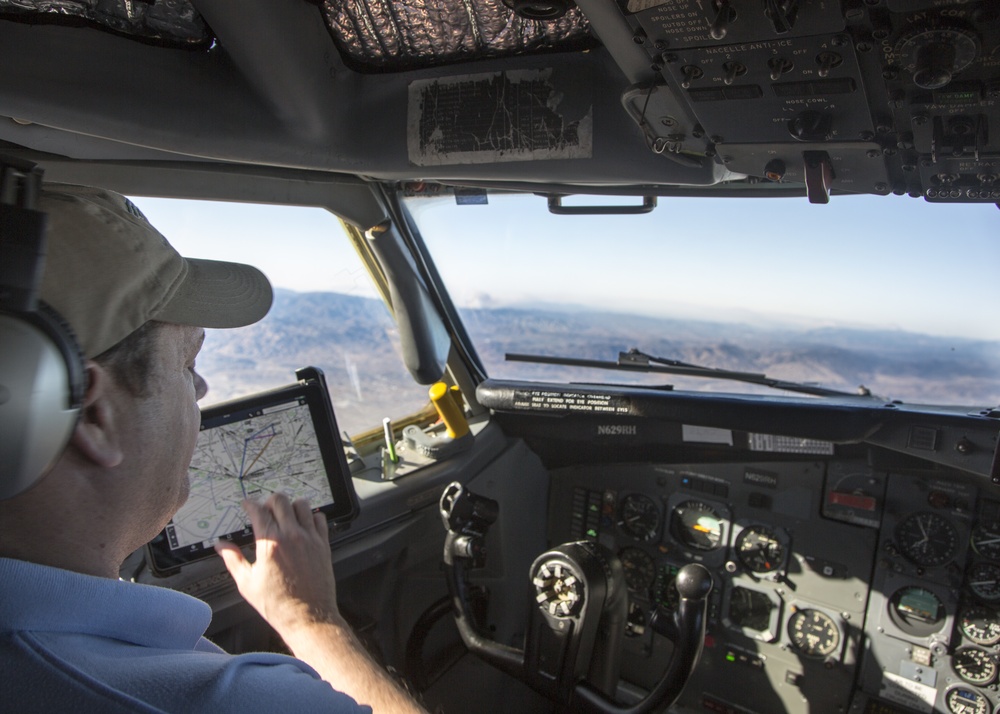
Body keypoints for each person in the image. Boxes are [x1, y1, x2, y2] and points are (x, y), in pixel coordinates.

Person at [0, 184, 426, 714]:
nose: (201, 391)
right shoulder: (233, 702)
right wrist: (310, 618)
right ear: (93, 416)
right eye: (186, 364)